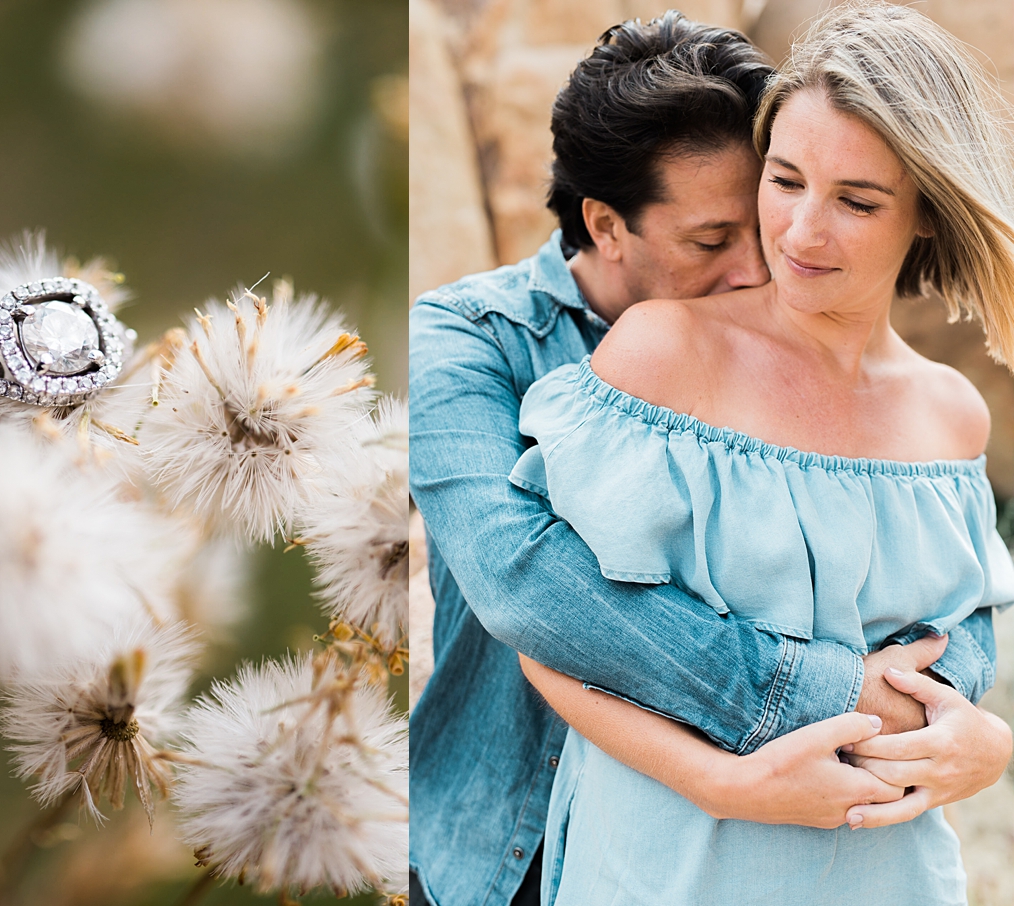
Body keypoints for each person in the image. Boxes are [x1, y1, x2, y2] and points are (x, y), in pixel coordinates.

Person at [408, 10, 1005, 906]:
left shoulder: (934, 406)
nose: (778, 252)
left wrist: (975, 732)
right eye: (711, 241)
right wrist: (801, 723)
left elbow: (958, 620)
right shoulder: (473, 342)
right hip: (507, 832)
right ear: (607, 227)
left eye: (851, 198)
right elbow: (526, 587)